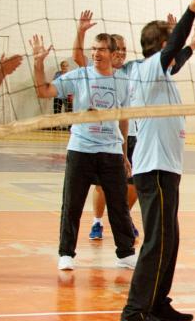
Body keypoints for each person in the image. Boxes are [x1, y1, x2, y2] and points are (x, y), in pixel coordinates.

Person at [119, 0, 195, 321]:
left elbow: (176, 57)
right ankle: (134, 312)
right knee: (157, 240)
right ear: (159, 47)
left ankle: (158, 302)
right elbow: (172, 53)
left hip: (166, 168)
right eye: (169, 42)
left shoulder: (162, 75)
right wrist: (193, 5)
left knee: (170, 239)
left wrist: (190, 46)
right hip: (153, 169)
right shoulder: (145, 71)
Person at [74, 11, 195, 241]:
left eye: (124, 49)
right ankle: (97, 222)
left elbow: (172, 63)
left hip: (137, 136)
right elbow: (80, 61)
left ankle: (123, 220)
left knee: (132, 185)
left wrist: (189, 46)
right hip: (111, 138)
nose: (121, 53)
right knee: (105, 186)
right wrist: (81, 33)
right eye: (117, 49)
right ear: (108, 52)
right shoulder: (110, 73)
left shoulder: (141, 68)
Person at [30, 33, 136, 271]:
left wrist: (124, 154)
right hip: (81, 148)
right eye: (94, 49)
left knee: (119, 205)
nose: (96, 53)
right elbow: (44, 91)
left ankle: (126, 253)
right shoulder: (80, 76)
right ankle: (66, 253)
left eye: (101, 49)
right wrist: (38, 63)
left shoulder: (122, 82)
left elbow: (123, 120)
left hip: (110, 150)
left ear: (112, 53)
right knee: (72, 204)